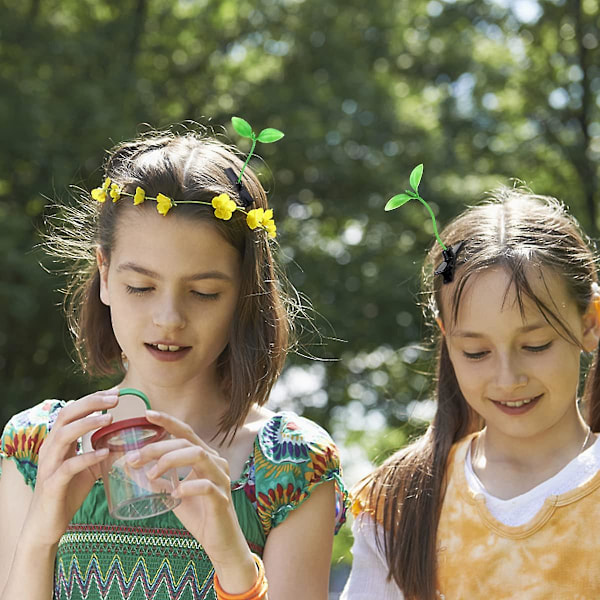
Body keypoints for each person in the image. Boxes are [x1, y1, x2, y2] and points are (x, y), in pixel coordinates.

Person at [0, 125, 347, 600]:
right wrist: (40, 539)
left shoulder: (290, 465)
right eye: (140, 287)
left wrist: (234, 562)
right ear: (104, 275)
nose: (169, 319)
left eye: (204, 293)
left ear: (245, 294)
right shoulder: (38, 445)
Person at [341, 187, 600, 599]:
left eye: (535, 346)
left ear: (590, 323)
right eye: (476, 352)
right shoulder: (399, 499)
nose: (508, 378)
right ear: (447, 339)